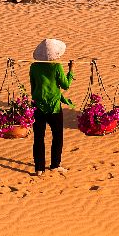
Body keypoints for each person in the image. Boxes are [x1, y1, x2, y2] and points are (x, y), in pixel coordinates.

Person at [29, 38, 74, 175]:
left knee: (38, 137)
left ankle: (39, 168)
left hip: (38, 105)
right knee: (57, 136)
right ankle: (55, 164)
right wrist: (71, 71)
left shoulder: (34, 67)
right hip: (53, 106)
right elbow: (65, 85)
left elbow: (33, 86)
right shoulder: (56, 66)